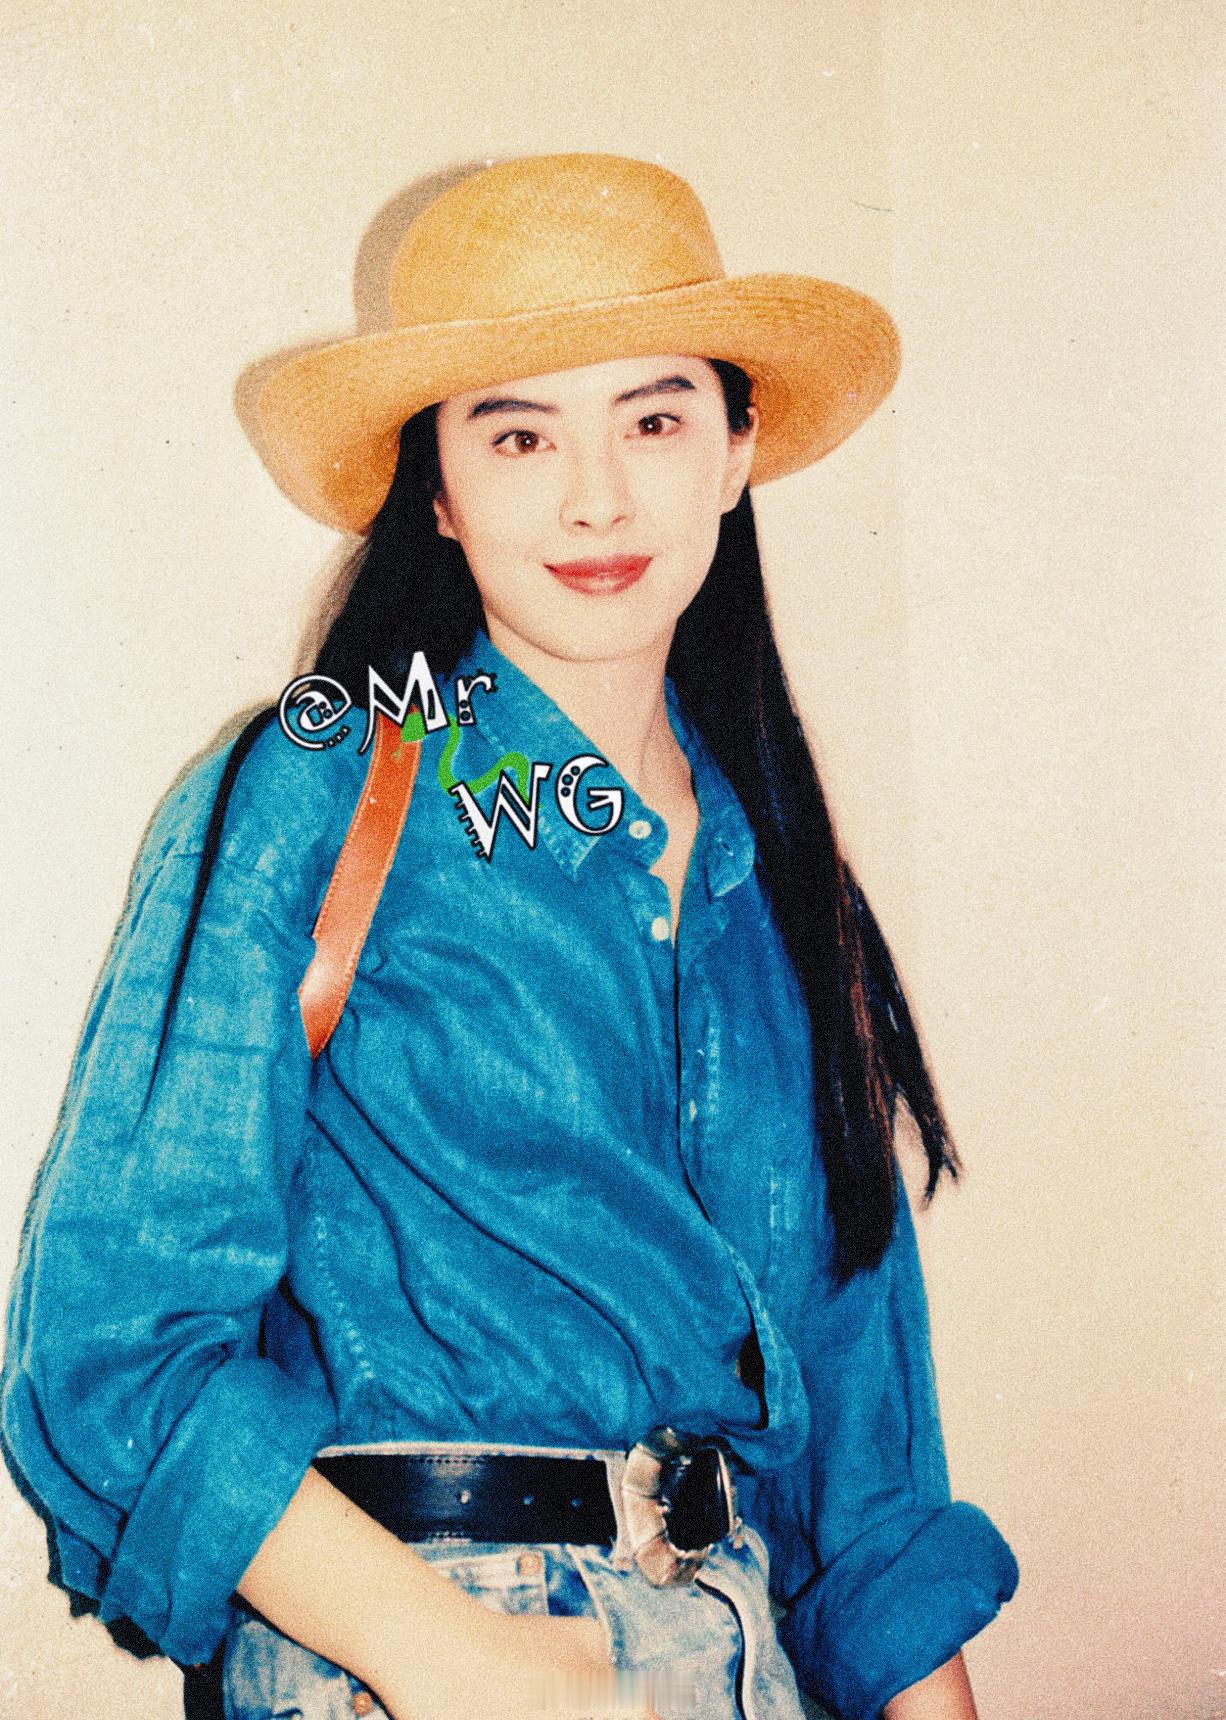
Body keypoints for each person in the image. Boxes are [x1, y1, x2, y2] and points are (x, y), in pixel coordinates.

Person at [0, 153, 1019, 1720]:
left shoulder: (775, 881)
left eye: (654, 420)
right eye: (520, 433)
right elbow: (111, 1348)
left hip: (743, 1657)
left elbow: (863, 1475)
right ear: (437, 485)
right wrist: (458, 1663)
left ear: (737, 449)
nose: (595, 497)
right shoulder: (318, 789)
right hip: (422, 1652)